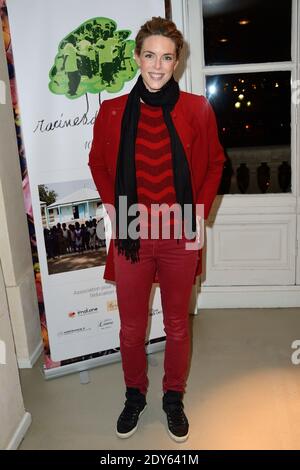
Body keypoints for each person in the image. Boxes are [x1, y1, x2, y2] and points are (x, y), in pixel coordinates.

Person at [89, 17, 225, 443]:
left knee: (177, 324)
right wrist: (112, 204)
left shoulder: (196, 108)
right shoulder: (112, 111)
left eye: (167, 57)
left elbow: (216, 163)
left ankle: (173, 398)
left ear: (177, 61)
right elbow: (97, 162)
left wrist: (198, 214)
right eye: (150, 55)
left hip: (179, 232)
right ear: (137, 57)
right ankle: (134, 395)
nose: (158, 65)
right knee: (131, 328)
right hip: (132, 231)